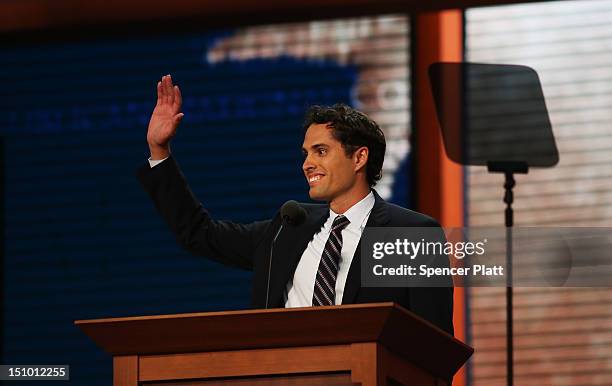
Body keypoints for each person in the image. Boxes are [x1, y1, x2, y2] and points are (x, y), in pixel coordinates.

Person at [137, 74, 454, 335]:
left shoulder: (410, 235)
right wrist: (159, 151)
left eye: (321, 151)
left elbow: (434, 346)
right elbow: (200, 234)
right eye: (306, 153)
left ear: (359, 157)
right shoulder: (288, 228)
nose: (307, 164)